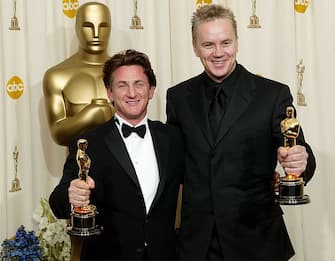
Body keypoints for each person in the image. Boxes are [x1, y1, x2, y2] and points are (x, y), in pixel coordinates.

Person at [166, 4, 316, 261]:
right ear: (194, 47)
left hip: (257, 241)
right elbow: (172, 164)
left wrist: (300, 162)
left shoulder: (272, 95)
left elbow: (298, 151)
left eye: (226, 42)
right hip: (197, 244)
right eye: (208, 44)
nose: (218, 53)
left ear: (237, 42)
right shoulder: (178, 97)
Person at [49, 49, 184, 260]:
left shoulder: (174, 139)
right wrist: (71, 195)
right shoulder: (88, 143)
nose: (132, 93)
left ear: (151, 90)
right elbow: (57, 204)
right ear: (109, 93)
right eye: (122, 85)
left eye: (139, 84)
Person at [43, 2, 114, 146]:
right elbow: (57, 134)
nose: (96, 34)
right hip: (78, 165)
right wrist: (87, 117)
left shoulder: (126, 74)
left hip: (124, 165)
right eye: (88, 26)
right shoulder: (57, 76)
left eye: (103, 26)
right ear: (77, 28)